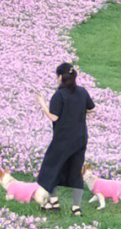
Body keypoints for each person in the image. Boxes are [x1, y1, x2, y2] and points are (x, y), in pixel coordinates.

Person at [33, 63, 96, 216]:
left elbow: (54, 117)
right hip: (80, 138)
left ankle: (52, 202)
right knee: (75, 171)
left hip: (62, 139)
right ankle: (76, 208)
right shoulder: (82, 92)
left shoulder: (59, 95)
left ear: (60, 77)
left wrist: (41, 104)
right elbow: (92, 110)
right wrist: (77, 113)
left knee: (51, 168)